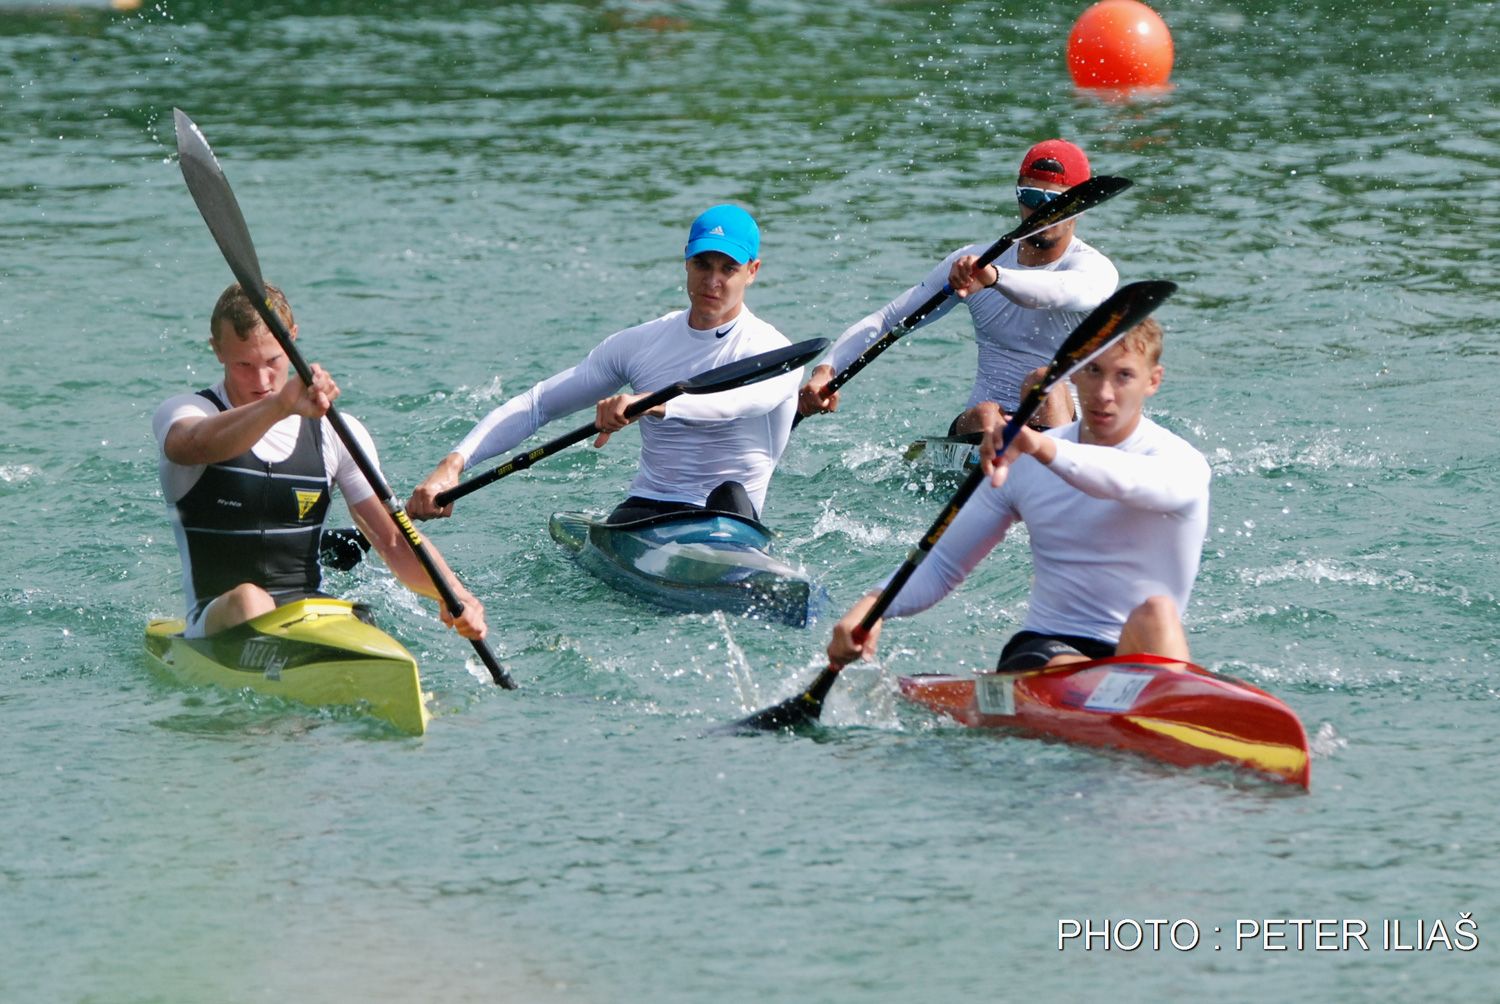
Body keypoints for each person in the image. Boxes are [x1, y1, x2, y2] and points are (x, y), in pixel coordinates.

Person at [827, 317, 1209, 674]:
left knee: (1157, 613)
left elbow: (1123, 480)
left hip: (1147, 652)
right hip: (1047, 652)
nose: (1104, 393)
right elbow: (942, 564)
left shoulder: (1181, 464)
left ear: (1153, 381)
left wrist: (1039, 446)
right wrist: (869, 610)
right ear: (1073, 373)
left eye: (1124, 376)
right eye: (1092, 370)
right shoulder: (1024, 462)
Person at [407, 205, 801, 526]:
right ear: (686, 262)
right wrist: (452, 464)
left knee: (730, 493)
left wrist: (650, 403)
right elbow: (538, 404)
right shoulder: (642, 343)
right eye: (702, 264)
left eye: (728, 269)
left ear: (752, 271)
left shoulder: (773, 351)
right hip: (649, 509)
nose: (712, 280)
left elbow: (733, 404)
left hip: (730, 519)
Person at [154, 282, 488, 640]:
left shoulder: (335, 432)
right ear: (216, 350)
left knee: (359, 617)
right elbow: (192, 446)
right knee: (250, 600)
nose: (261, 379)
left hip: (305, 615)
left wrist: (456, 595)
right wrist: (280, 404)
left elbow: (392, 541)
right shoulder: (187, 412)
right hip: (218, 620)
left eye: (273, 361)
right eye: (243, 365)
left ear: (292, 340)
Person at [799, 139, 1119, 435]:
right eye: (1032, 198)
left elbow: (1059, 292)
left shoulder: (1094, 269)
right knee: (985, 416)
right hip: (983, 427)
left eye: (1056, 203)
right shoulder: (971, 260)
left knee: (1044, 385)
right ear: (1018, 195)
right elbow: (887, 320)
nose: (1042, 212)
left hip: (1064, 427)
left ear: (1082, 206)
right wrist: (826, 371)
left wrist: (996, 278)